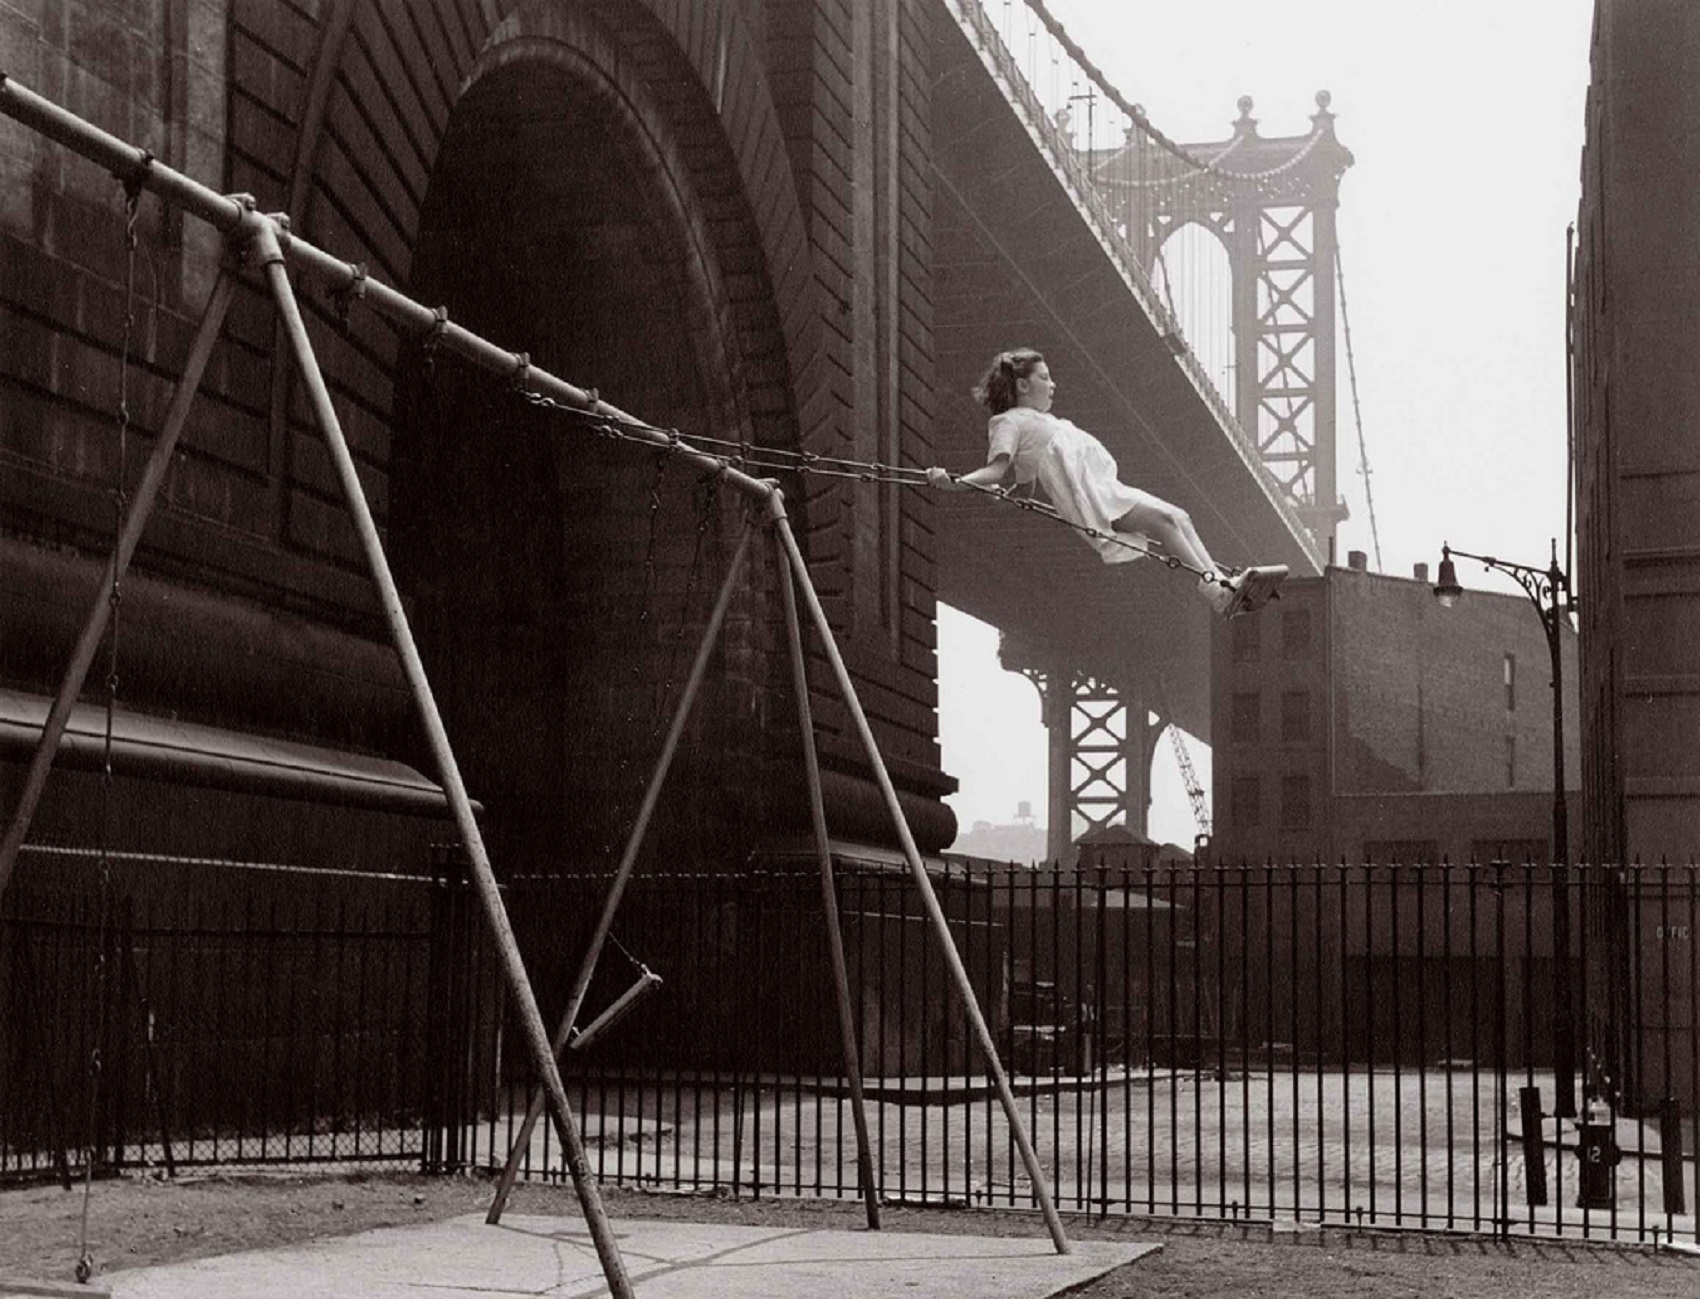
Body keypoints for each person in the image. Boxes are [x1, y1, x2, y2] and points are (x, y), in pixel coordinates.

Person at [926, 347, 1273, 616]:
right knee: (1166, 521)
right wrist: (953, 483)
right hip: (1092, 500)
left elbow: (1025, 487)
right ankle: (1217, 593)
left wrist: (1009, 496)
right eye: (1045, 378)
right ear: (1022, 384)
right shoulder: (1008, 422)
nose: (1053, 384)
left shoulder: (1044, 421)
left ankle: (1223, 586)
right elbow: (996, 470)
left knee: (1179, 516)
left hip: (1108, 487)